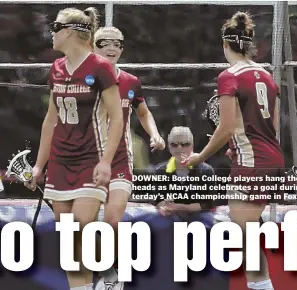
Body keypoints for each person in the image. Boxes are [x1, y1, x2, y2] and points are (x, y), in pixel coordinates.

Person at [182, 11, 283, 290]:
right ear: (250, 44)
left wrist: (200, 157)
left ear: (225, 45)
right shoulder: (266, 74)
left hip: (251, 161)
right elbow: (271, 125)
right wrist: (235, 147)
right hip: (269, 157)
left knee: (247, 238)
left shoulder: (229, 76)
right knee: (249, 234)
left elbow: (226, 127)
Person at [25, 7, 124, 290]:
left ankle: (107, 267)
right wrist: (39, 165)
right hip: (60, 161)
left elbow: (116, 117)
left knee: (81, 224)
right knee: (68, 237)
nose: (52, 35)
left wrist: (106, 162)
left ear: (68, 31)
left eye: (56, 28)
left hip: (90, 159)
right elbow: (51, 119)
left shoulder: (100, 67)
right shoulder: (56, 68)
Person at [90, 26, 165, 290]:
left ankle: (114, 276)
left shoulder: (131, 82)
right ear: (93, 46)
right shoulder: (81, 80)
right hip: (86, 160)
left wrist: (154, 135)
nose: (112, 48)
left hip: (120, 161)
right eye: (104, 43)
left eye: (118, 44)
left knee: (112, 220)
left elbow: (143, 113)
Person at [154, 126, 215, 216]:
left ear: (192, 145)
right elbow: (157, 201)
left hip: (200, 218)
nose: (179, 148)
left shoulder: (205, 171)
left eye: (185, 144)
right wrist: (164, 206)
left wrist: (180, 207)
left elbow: (209, 204)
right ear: (169, 147)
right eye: (174, 144)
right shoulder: (160, 171)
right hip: (170, 218)